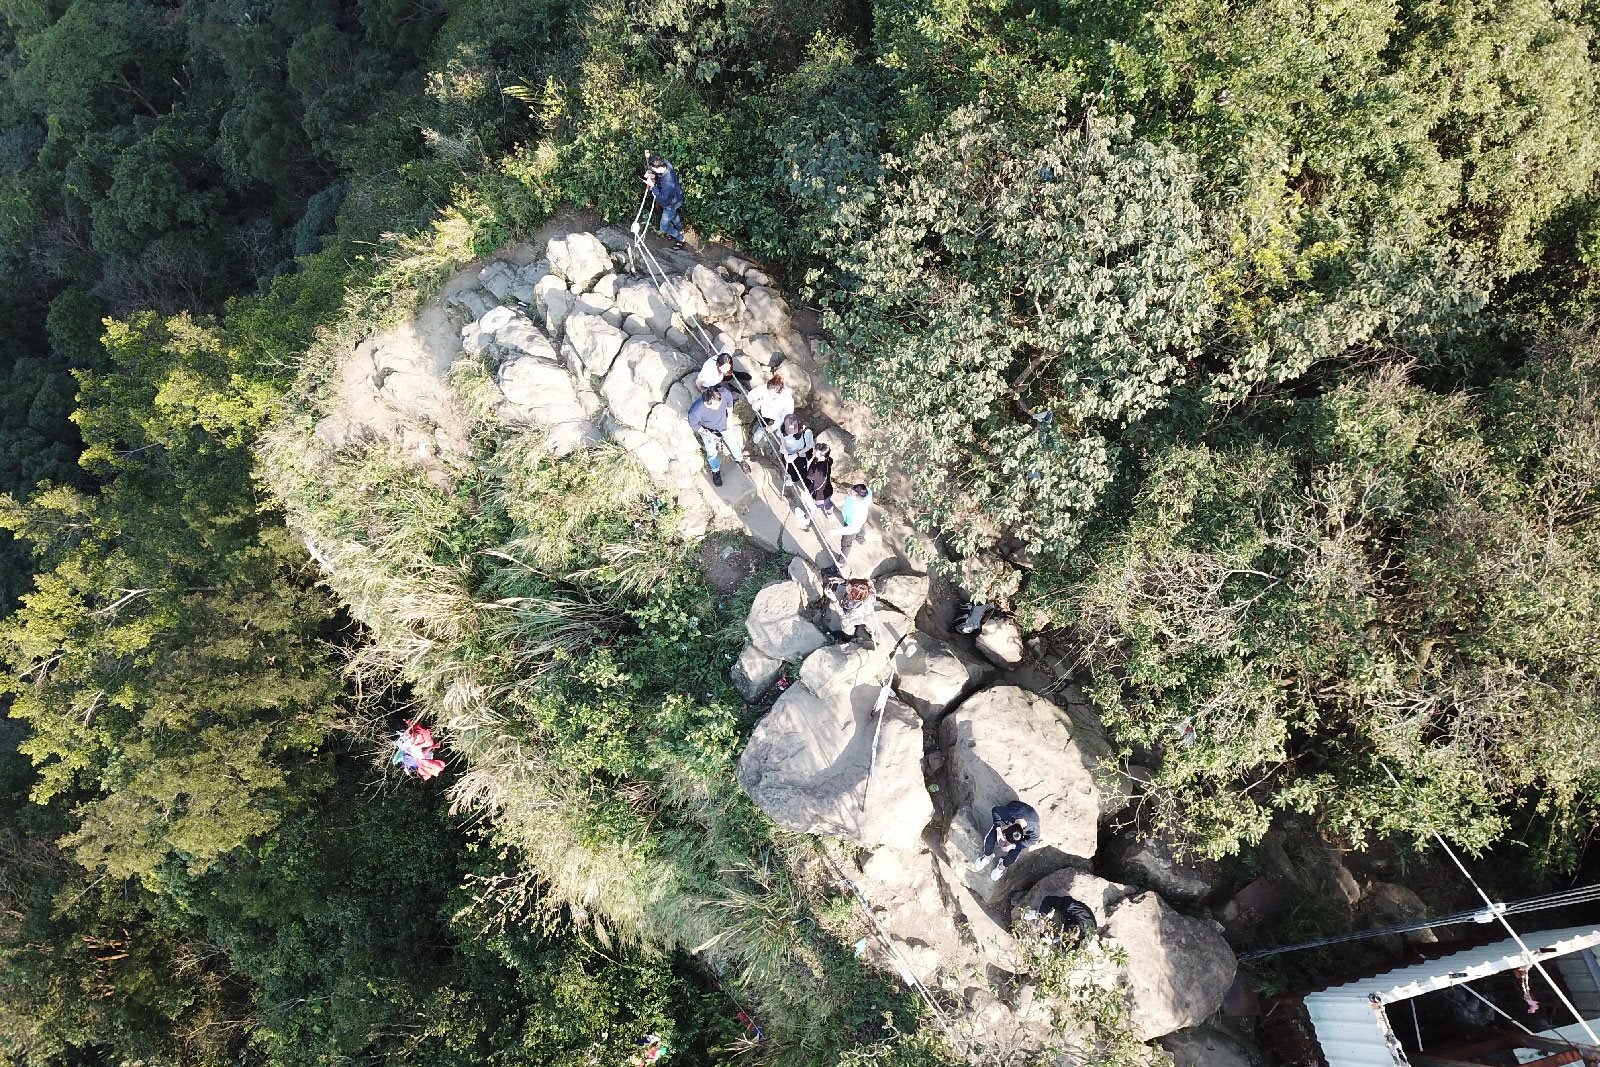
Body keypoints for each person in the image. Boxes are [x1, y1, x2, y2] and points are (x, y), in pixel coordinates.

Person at [686, 385, 749, 488]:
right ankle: (715, 471)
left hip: (724, 425)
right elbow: (694, 424)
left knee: (733, 443)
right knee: (711, 452)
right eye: (715, 406)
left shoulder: (723, 393)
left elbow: (729, 403)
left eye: (719, 404)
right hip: (708, 429)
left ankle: (740, 460)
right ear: (707, 403)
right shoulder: (696, 411)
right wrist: (707, 433)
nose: (718, 407)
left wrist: (729, 419)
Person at [971, 799, 1040, 881]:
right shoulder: (1009, 813)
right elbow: (995, 811)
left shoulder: (1033, 828)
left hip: (1027, 818)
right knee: (990, 840)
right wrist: (999, 830)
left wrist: (1013, 846)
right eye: (1005, 838)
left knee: (1013, 856)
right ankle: (987, 856)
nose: (1005, 843)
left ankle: (1001, 866)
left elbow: (1034, 840)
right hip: (1014, 810)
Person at [642, 152, 685, 250]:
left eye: (653, 169)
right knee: (674, 217)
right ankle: (680, 230)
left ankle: (681, 238)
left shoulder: (668, 181)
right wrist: (654, 176)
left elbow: (662, 197)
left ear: (657, 168)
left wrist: (652, 185)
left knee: (663, 226)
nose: (652, 170)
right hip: (676, 198)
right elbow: (656, 171)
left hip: (670, 203)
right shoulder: (665, 163)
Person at [1028, 895, 1099, 949]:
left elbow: (1066, 952)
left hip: (1074, 922)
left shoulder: (1085, 939)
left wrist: (1051, 942)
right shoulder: (1072, 907)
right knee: (1050, 914)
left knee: (1056, 948)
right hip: (1068, 912)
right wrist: (1042, 920)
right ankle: (1029, 914)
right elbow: (1049, 900)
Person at [824, 576, 877, 649]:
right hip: (868, 615)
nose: (847, 588)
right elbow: (865, 584)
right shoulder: (869, 590)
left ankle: (849, 636)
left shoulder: (854, 610)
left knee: (846, 625)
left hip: (855, 617)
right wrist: (843, 581)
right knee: (870, 624)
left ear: (853, 596)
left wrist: (834, 600)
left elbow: (844, 616)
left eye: (849, 589)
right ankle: (872, 632)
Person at [746, 372, 794, 440]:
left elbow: (787, 416)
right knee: (764, 420)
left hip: (778, 414)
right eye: (769, 393)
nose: (771, 396)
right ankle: (762, 429)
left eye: (773, 395)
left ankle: (782, 436)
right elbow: (752, 394)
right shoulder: (766, 388)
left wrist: (774, 427)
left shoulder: (787, 399)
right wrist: (753, 402)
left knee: (781, 424)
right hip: (766, 411)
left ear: (780, 392)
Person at [777, 414, 814, 489]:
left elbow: (809, 446)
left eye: (793, 430)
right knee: (788, 467)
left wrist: (796, 455)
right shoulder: (782, 427)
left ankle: (806, 485)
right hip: (787, 451)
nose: (791, 433)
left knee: (801, 470)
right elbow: (782, 439)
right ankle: (792, 478)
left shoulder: (806, 432)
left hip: (800, 453)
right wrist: (785, 452)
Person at [836, 483, 872, 558]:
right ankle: (860, 538)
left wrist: (836, 531)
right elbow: (868, 491)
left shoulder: (856, 509)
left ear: (858, 496)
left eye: (851, 493)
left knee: (846, 543)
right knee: (861, 526)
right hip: (860, 520)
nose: (848, 492)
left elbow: (852, 529)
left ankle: (841, 562)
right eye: (851, 490)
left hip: (851, 523)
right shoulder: (865, 496)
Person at [801, 441, 834, 519]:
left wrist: (814, 459)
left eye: (814, 451)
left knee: (811, 507)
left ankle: (806, 518)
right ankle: (830, 515)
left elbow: (809, 476)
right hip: (828, 491)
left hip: (819, 496)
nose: (813, 452)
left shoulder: (817, 468)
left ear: (819, 454)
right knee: (828, 502)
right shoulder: (828, 461)